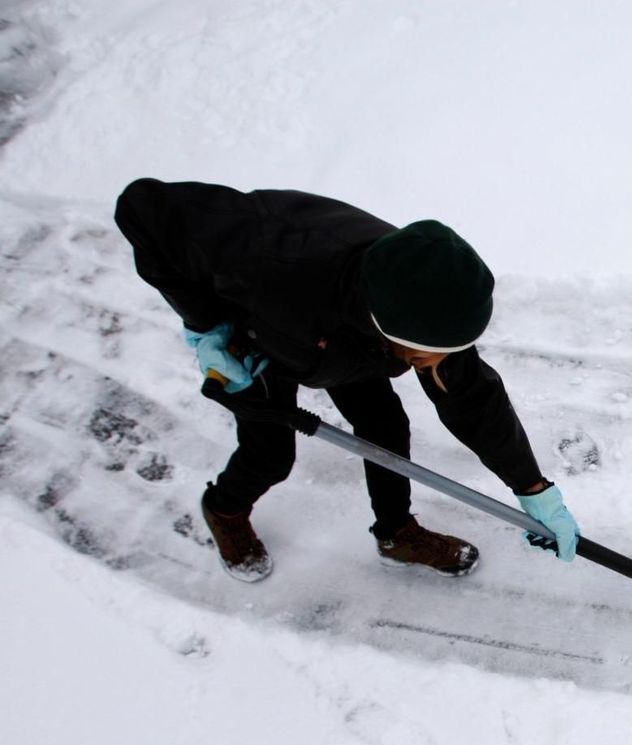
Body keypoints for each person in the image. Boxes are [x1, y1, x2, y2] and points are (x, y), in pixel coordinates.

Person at [114, 178, 579, 582]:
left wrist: (533, 490)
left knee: (386, 428)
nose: (436, 364)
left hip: (342, 347)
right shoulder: (274, 253)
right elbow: (142, 208)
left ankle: (396, 534)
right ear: (394, 327)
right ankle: (224, 508)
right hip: (259, 343)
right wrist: (205, 326)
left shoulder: (430, 299)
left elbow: (474, 402)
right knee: (270, 456)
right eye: (426, 354)